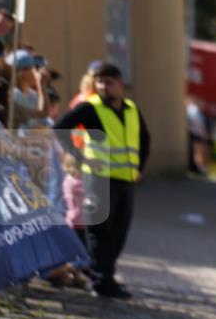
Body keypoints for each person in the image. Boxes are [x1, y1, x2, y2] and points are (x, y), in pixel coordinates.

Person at [54, 63, 151, 299]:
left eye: (108, 82)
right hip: (97, 179)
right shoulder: (90, 108)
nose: (102, 87)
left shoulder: (131, 109)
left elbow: (144, 138)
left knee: (119, 232)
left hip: (125, 180)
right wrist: (79, 156)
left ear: (120, 85)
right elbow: (60, 128)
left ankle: (106, 276)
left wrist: (140, 167)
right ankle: (100, 280)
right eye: (99, 82)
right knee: (99, 231)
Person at [186, 96, 210, 174]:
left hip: (197, 134)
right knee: (197, 152)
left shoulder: (197, 111)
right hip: (195, 134)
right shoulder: (193, 111)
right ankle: (196, 167)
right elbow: (195, 123)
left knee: (199, 152)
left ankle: (198, 167)